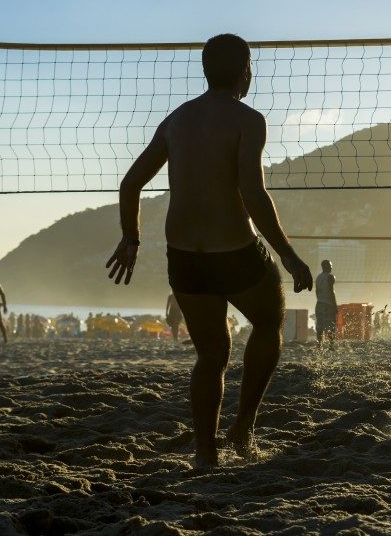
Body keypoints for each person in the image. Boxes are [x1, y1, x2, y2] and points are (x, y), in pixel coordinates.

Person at [105, 33, 313, 468]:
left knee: (212, 356)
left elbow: (130, 184)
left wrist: (131, 238)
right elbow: (253, 194)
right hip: (234, 251)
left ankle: (205, 453)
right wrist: (289, 254)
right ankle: (243, 427)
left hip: (185, 258)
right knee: (270, 320)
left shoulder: (177, 120)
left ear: (205, 70)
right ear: (245, 72)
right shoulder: (248, 119)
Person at [315, 260, 339, 349]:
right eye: (330, 265)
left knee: (320, 326)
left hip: (319, 304)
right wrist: (335, 305)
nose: (331, 267)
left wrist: (320, 300)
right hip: (328, 304)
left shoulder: (318, 277)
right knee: (331, 325)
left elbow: (317, 291)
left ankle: (319, 346)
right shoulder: (330, 277)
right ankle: (331, 345)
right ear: (326, 266)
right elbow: (331, 291)